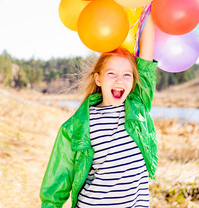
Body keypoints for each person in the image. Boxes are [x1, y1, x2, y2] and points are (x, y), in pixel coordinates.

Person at [40, 15, 158, 208]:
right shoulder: (77, 126)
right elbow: (57, 179)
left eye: (127, 75)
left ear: (134, 81)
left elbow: (146, 60)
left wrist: (150, 6)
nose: (119, 80)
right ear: (98, 79)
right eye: (111, 73)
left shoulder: (139, 108)